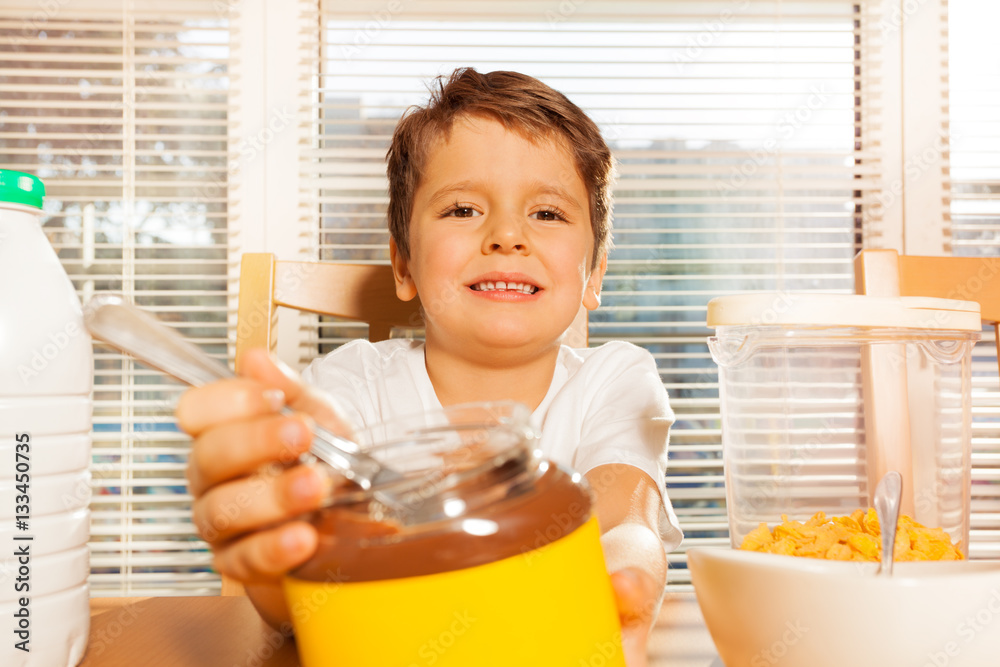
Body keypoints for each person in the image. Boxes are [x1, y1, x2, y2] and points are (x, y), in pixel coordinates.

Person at [177, 67, 682, 666]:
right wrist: (276, 537)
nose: (507, 235)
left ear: (593, 274)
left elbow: (626, 521)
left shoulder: (617, 379)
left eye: (547, 214)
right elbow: (294, 604)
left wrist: (623, 581)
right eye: (463, 209)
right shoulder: (345, 389)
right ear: (404, 264)